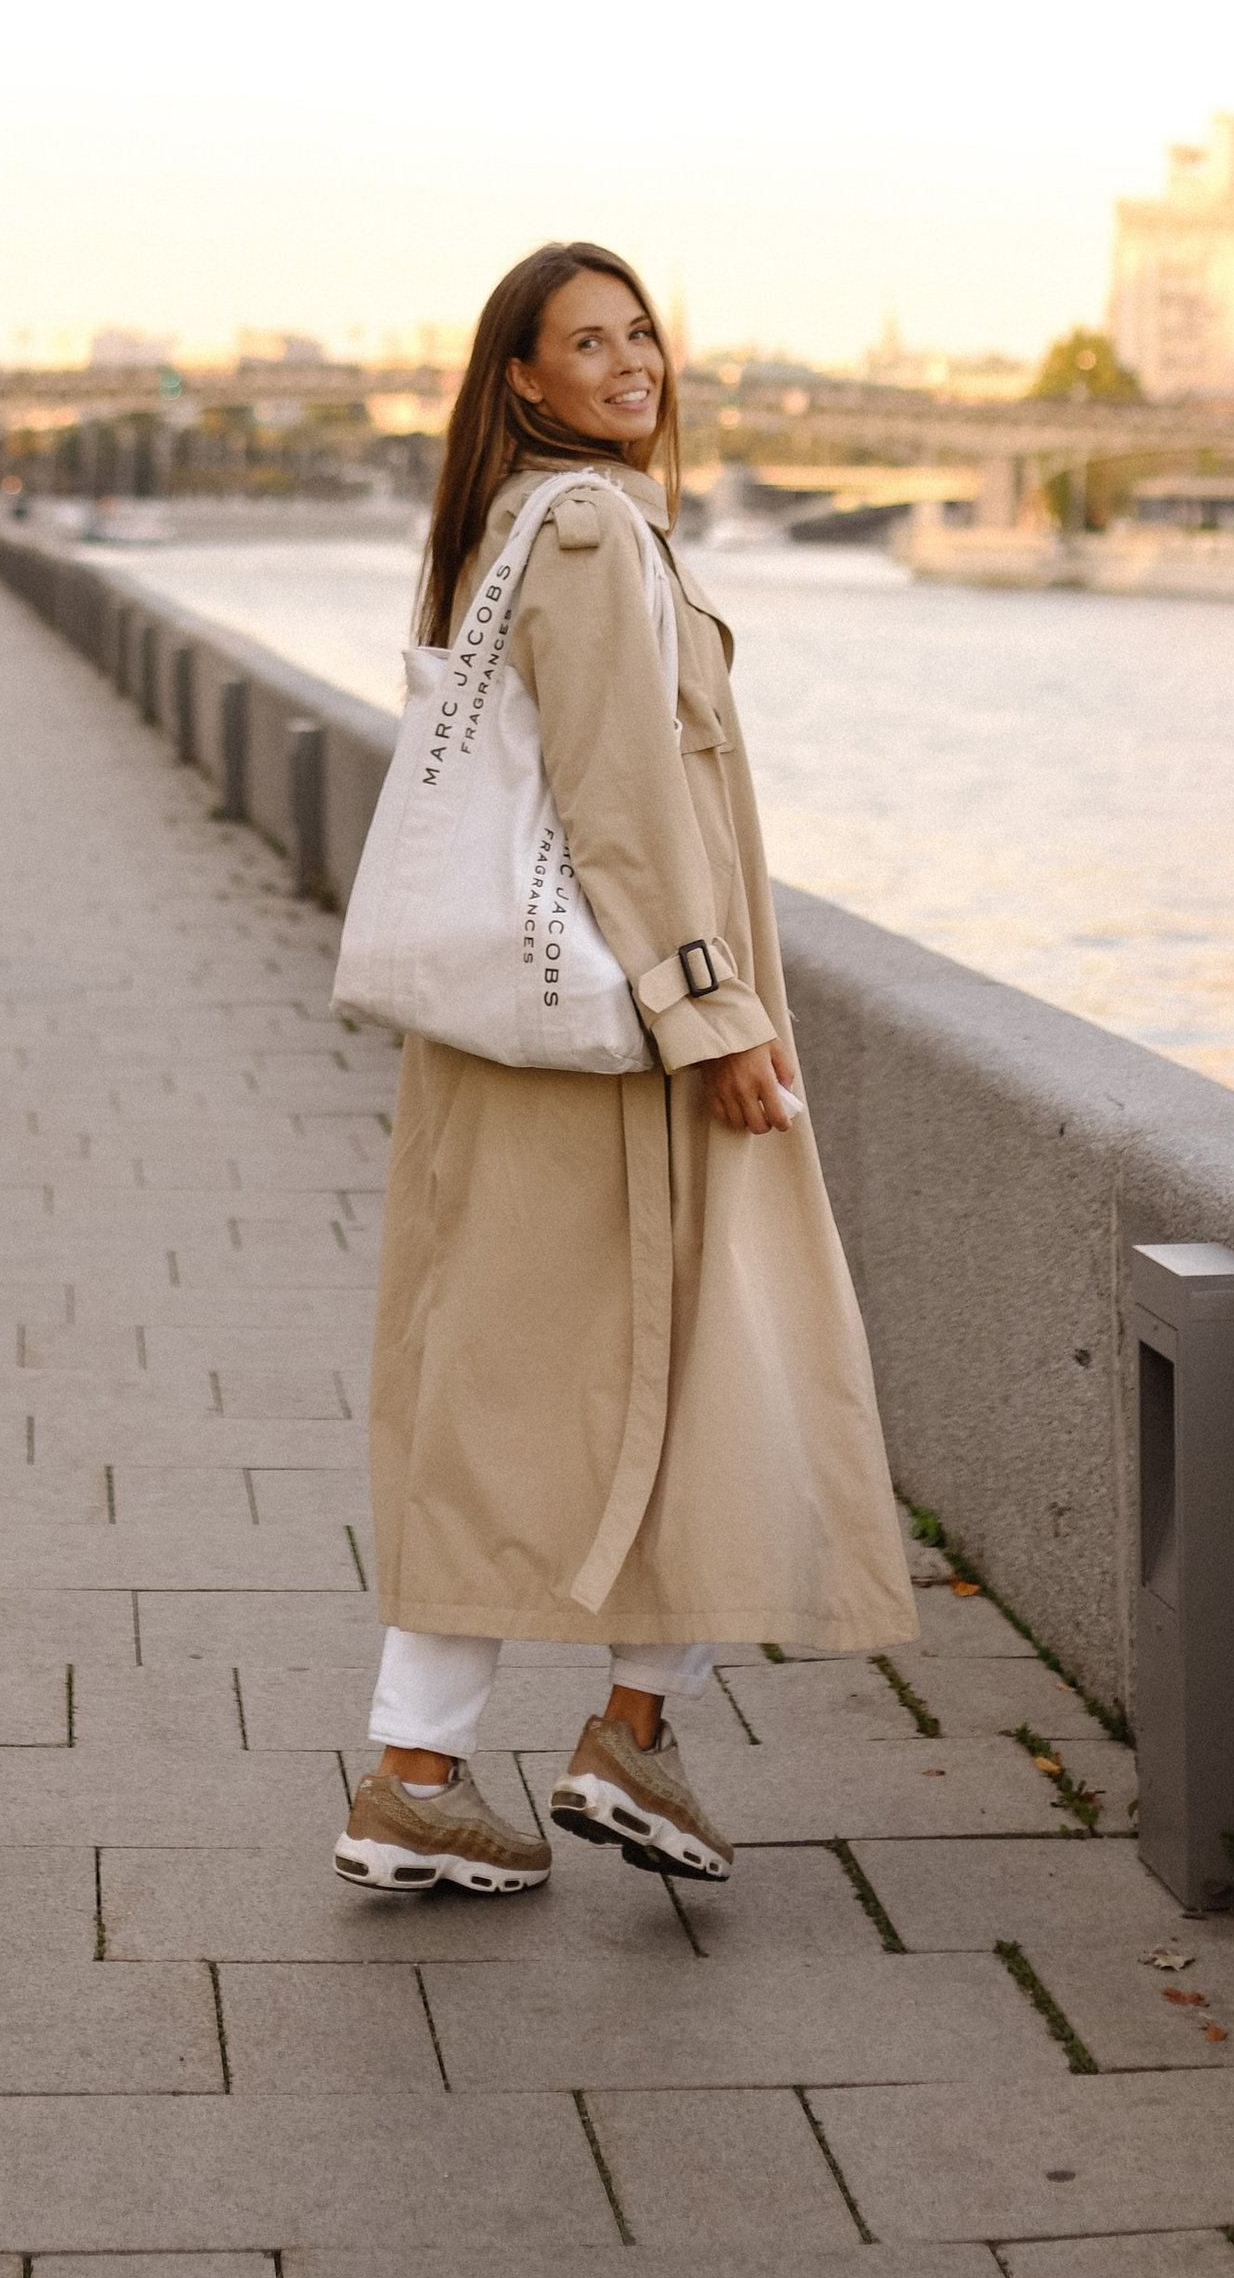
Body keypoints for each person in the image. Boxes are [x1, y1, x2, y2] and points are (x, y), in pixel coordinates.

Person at [334, 240, 916, 1899]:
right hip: (616, 1048)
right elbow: (621, 801)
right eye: (586, 340)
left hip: (528, 1042)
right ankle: (486, 1760)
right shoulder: (586, 529)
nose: (632, 358)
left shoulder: (510, 526)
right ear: (522, 378)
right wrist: (718, 1018)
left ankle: (541, 1748)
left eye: (640, 328)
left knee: (542, 1391)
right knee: (689, 1365)